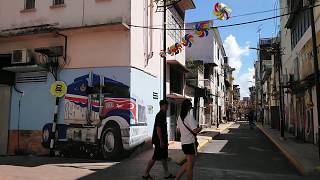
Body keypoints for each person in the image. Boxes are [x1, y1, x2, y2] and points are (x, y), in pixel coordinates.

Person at [143, 100, 175, 180]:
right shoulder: (159, 115)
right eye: (166, 105)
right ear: (162, 106)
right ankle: (146, 174)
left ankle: (166, 174)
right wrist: (161, 141)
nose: (167, 107)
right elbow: (158, 129)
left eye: (167, 105)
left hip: (162, 140)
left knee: (164, 157)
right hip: (159, 140)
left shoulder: (163, 114)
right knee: (155, 157)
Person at [175, 99, 202, 180]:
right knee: (190, 166)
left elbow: (178, 130)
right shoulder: (189, 117)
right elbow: (195, 130)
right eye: (190, 107)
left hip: (184, 143)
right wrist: (200, 128)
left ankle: (177, 178)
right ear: (189, 107)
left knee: (189, 163)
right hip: (190, 143)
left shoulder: (180, 117)